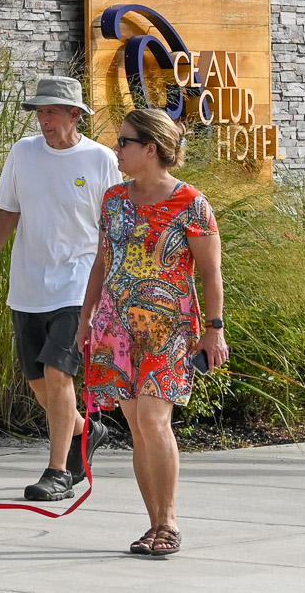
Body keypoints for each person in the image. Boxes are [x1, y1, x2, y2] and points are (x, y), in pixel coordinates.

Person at [81, 107, 228, 558]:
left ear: (151, 149)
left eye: (124, 142)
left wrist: (214, 330)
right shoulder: (113, 199)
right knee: (137, 428)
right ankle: (153, 526)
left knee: (152, 419)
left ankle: (168, 523)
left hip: (168, 330)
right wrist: (86, 317)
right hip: (116, 328)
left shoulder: (190, 203)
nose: (116, 149)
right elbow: (103, 263)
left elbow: (210, 272)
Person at [0, 74, 121, 503]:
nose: (44, 119)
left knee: (59, 375)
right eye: (39, 111)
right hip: (28, 284)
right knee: (39, 383)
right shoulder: (23, 154)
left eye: (52, 111)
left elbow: (114, 224)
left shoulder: (100, 160)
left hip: (79, 284)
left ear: (76, 114)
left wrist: (110, 284)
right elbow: (8, 209)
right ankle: (84, 429)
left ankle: (57, 471)